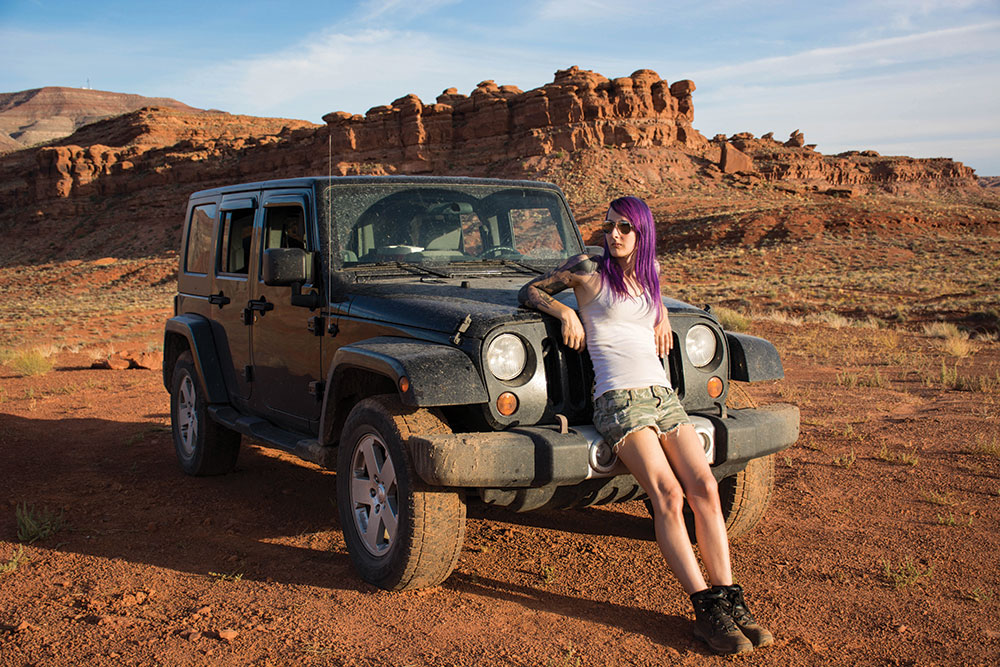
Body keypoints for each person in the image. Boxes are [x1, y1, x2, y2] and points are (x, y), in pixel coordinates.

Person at [518, 196, 773, 655]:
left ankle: (730, 597)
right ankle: (705, 610)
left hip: (664, 399)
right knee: (668, 497)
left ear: (642, 233)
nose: (613, 235)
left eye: (624, 228)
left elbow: (648, 315)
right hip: (619, 402)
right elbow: (530, 291)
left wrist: (663, 317)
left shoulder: (649, 278)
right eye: (609, 226)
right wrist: (566, 312)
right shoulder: (587, 269)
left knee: (706, 490)